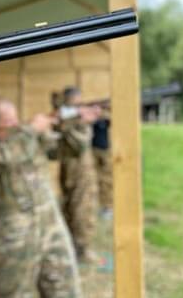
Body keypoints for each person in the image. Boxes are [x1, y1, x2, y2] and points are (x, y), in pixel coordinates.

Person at [0, 97, 81, 297]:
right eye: (8, 121)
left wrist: (75, 122)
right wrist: (31, 130)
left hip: (50, 226)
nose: (15, 125)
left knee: (64, 288)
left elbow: (71, 150)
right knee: (10, 292)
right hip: (13, 234)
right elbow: (3, 158)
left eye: (16, 119)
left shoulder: (25, 137)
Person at [57, 86, 101, 263]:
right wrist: (83, 121)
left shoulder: (67, 117)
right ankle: (82, 250)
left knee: (73, 206)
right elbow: (81, 143)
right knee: (82, 208)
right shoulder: (69, 118)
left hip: (70, 168)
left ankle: (72, 246)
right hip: (79, 169)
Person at [92, 115, 112, 220]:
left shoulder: (106, 119)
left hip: (105, 150)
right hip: (92, 150)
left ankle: (107, 207)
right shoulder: (91, 119)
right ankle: (97, 206)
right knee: (94, 179)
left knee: (106, 180)